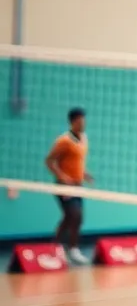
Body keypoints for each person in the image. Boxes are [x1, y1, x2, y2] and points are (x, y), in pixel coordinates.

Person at [45, 107, 92, 265]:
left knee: (72, 218)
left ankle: (56, 247)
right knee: (75, 215)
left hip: (78, 186)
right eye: (80, 121)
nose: (83, 124)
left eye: (84, 121)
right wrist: (63, 177)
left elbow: (77, 162)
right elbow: (49, 161)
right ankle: (72, 249)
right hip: (63, 186)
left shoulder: (84, 139)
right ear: (72, 122)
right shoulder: (63, 141)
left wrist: (84, 174)